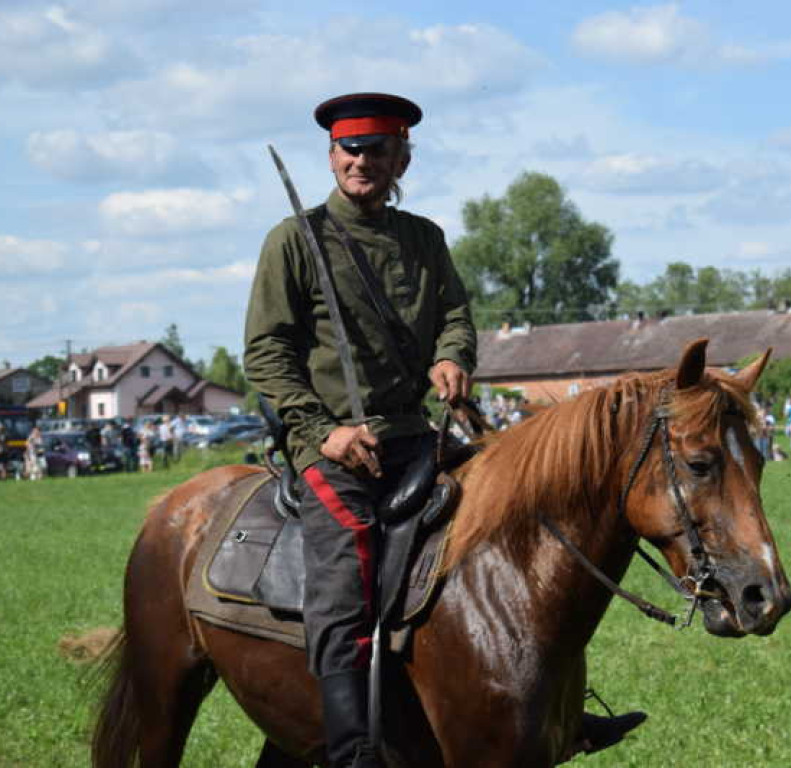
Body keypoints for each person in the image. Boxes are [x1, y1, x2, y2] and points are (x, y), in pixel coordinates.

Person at [244, 93, 639, 766]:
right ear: (332, 156)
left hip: (414, 434)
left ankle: (551, 708)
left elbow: (455, 314)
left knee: (524, 536)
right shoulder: (294, 241)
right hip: (332, 445)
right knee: (346, 575)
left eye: (376, 150)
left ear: (402, 158)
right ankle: (351, 748)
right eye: (349, 149)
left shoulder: (424, 238)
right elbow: (266, 350)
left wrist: (453, 356)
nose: (361, 161)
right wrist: (322, 430)